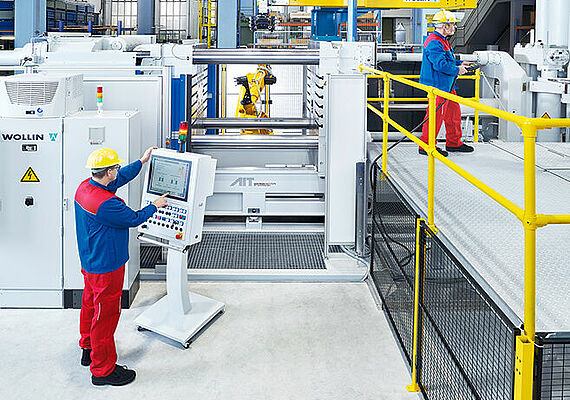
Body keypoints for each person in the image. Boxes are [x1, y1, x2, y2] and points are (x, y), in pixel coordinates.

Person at [74, 147, 167, 386]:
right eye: (115, 168)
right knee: (106, 316)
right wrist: (156, 205)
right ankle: (102, 370)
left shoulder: (86, 188)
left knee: (90, 305)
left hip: (90, 261)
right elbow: (134, 218)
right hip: (107, 267)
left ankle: (87, 347)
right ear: (109, 173)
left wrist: (141, 162)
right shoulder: (107, 204)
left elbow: (120, 178)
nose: (118, 171)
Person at [419, 8, 475, 156]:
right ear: (445, 26)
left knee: (453, 114)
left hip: (447, 85)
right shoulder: (434, 43)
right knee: (435, 116)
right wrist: (457, 70)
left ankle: (454, 143)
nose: (455, 27)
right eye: (453, 25)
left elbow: (447, 60)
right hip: (438, 87)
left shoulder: (441, 41)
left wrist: (461, 63)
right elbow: (440, 65)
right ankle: (426, 145)